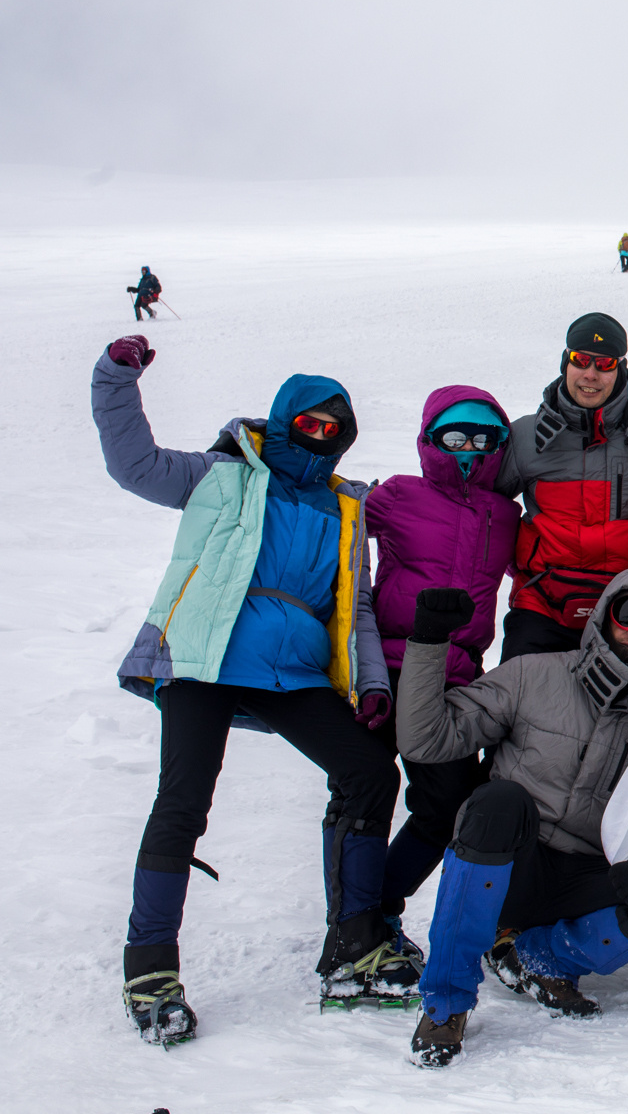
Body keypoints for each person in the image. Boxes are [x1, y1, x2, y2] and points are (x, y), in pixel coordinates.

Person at [92, 336, 405, 1044]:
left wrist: (373, 685)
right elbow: (132, 463)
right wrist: (115, 376)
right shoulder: (221, 475)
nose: (321, 436)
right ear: (285, 419)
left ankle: (354, 940)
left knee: (368, 773)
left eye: (335, 428)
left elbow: (353, 611)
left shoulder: (344, 508)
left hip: (291, 672)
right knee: (183, 802)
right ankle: (150, 968)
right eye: (310, 423)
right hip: (205, 657)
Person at [400, 571, 628, 1067]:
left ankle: (548, 958)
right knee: (497, 801)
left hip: (592, 878)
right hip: (514, 870)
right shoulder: (531, 675)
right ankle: (446, 1002)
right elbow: (427, 739)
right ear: (605, 617)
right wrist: (429, 642)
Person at [363, 386, 521, 929]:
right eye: (455, 436)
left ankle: (377, 905)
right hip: (387, 668)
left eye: (484, 438)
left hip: (453, 680)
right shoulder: (398, 495)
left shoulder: (506, 514)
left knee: (449, 805)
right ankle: (354, 924)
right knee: (363, 792)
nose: (469, 449)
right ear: (431, 440)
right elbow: (333, 529)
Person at [495, 313, 628, 660]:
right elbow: (481, 507)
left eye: (604, 364)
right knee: (517, 700)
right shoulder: (525, 437)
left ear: (619, 368)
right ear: (566, 362)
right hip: (540, 603)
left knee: (624, 712)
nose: (591, 374)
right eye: (581, 360)